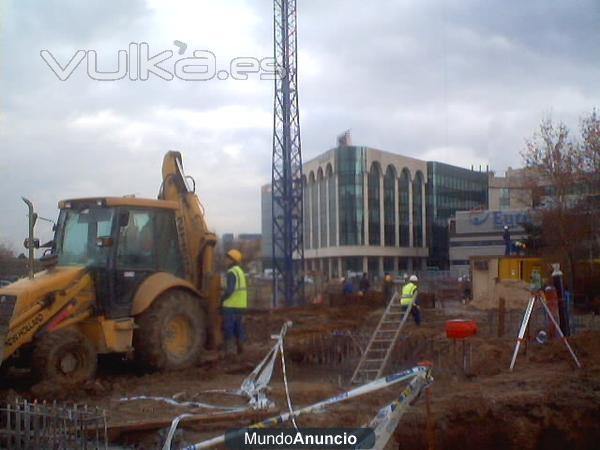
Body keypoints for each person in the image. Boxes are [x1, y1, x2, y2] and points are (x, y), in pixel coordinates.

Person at [221, 249, 247, 355]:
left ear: (233, 260)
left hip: (231, 305)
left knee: (229, 327)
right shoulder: (240, 271)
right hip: (241, 305)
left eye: (228, 258)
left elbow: (230, 290)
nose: (226, 260)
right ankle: (241, 347)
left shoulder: (231, 272)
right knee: (239, 326)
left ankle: (230, 351)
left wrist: (222, 299)